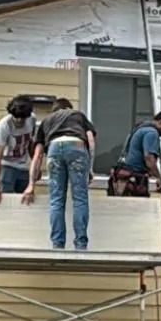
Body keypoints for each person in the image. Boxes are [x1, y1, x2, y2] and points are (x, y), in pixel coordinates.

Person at [21, 98, 97, 250]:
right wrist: (89, 168)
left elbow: (37, 156)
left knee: (56, 200)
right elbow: (91, 140)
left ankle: (57, 243)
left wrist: (30, 185)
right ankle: (81, 244)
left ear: (54, 110)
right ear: (68, 108)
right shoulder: (77, 115)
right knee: (80, 199)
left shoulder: (47, 121)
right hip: (76, 146)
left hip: (54, 148)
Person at [107, 110, 161, 197]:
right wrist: (159, 177)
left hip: (122, 176)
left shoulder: (141, 127)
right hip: (134, 178)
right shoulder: (152, 133)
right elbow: (149, 158)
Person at [0, 96, 38, 202]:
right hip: (5, 163)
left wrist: (35, 166)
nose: (19, 120)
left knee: (25, 198)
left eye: (22, 118)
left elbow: (31, 143)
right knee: (6, 198)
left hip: (23, 164)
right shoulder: (4, 126)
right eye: (17, 117)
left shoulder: (32, 120)